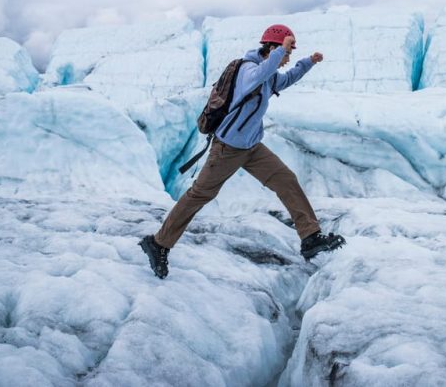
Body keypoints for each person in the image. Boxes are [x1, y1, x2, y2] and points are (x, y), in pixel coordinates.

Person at [139, 24, 346, 278]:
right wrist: (281, 51)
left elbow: (286, 78)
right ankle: (158, 243)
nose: (286, 58)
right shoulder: (248, 71)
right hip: (227, 149)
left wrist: (308, 62)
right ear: (272, 48)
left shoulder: (267, 75)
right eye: (286, 52)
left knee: (286, 180)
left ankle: (311, 238)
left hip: (251, 147)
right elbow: (260, 76)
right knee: (198, 195)